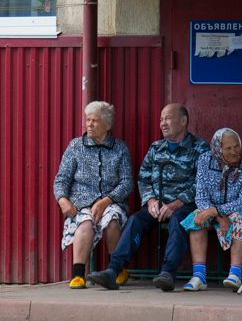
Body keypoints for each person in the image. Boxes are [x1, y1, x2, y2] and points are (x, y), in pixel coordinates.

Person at [86, 104, 208, 291]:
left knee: (178, 220)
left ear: (183, 121)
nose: (162, 124)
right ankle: (113, 270)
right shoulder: (156, 148)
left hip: (185, 205)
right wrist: (150, 200)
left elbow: (203, 182)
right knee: (135, 220)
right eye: (161, 119)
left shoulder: (200, 148)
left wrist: (176, 204)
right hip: (156, 205)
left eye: (167, 118)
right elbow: (143, 178)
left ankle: (168, 273)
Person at [53, 101, 133, 289]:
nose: (89, 124)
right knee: (85, 222)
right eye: (88, 120)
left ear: (107, 125)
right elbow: (61, 179)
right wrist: (62, 200)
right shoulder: (75, 146)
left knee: (112, 219)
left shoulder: (120, 148)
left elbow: (127, 182)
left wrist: (106, 201)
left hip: (111, 200)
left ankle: (117, 270)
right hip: (81, 203)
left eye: (94, 121)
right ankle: (79, 276)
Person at [178, 127, 242, 292]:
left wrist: (216, 212)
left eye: (236, 146)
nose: (234, 152)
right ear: (218, 149)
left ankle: (235, 274)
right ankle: (199, 276)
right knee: (196, 219)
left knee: (239, 218)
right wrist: (218, 216)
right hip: (215, 210)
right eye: (228, 148)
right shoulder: (205, 160)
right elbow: (201, 197)